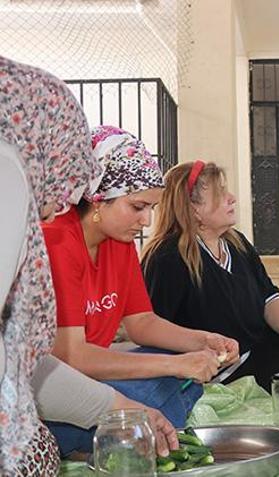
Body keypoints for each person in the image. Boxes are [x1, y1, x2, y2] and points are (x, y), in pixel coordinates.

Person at [0, 56, 177, 476]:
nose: (69, 192)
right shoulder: (46, 234)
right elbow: (63, 358)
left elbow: (22, 365)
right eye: (137, 207)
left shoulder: (32, 230)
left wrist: (122, 409)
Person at [42, 126, 239, 456]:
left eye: (151, 208)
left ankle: (130, 430)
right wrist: (176, 366)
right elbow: (72, 357)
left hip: (96, 377)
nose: (146, 221)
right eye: (137, 207)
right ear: (97, 198)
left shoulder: (119, 243)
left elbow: (142, 322)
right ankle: (120, 433)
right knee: (168, 379)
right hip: (61, 387)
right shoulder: (58, 241)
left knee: (177, 374)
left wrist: (203, 341)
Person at [141, 161, 279, 392]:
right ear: (194, 208)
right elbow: (153, 327)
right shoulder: (168, 257)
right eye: (220, 193)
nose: (232, 198)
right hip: (222, 369)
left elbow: (268, 297)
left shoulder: (237, 243)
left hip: (258, 347)